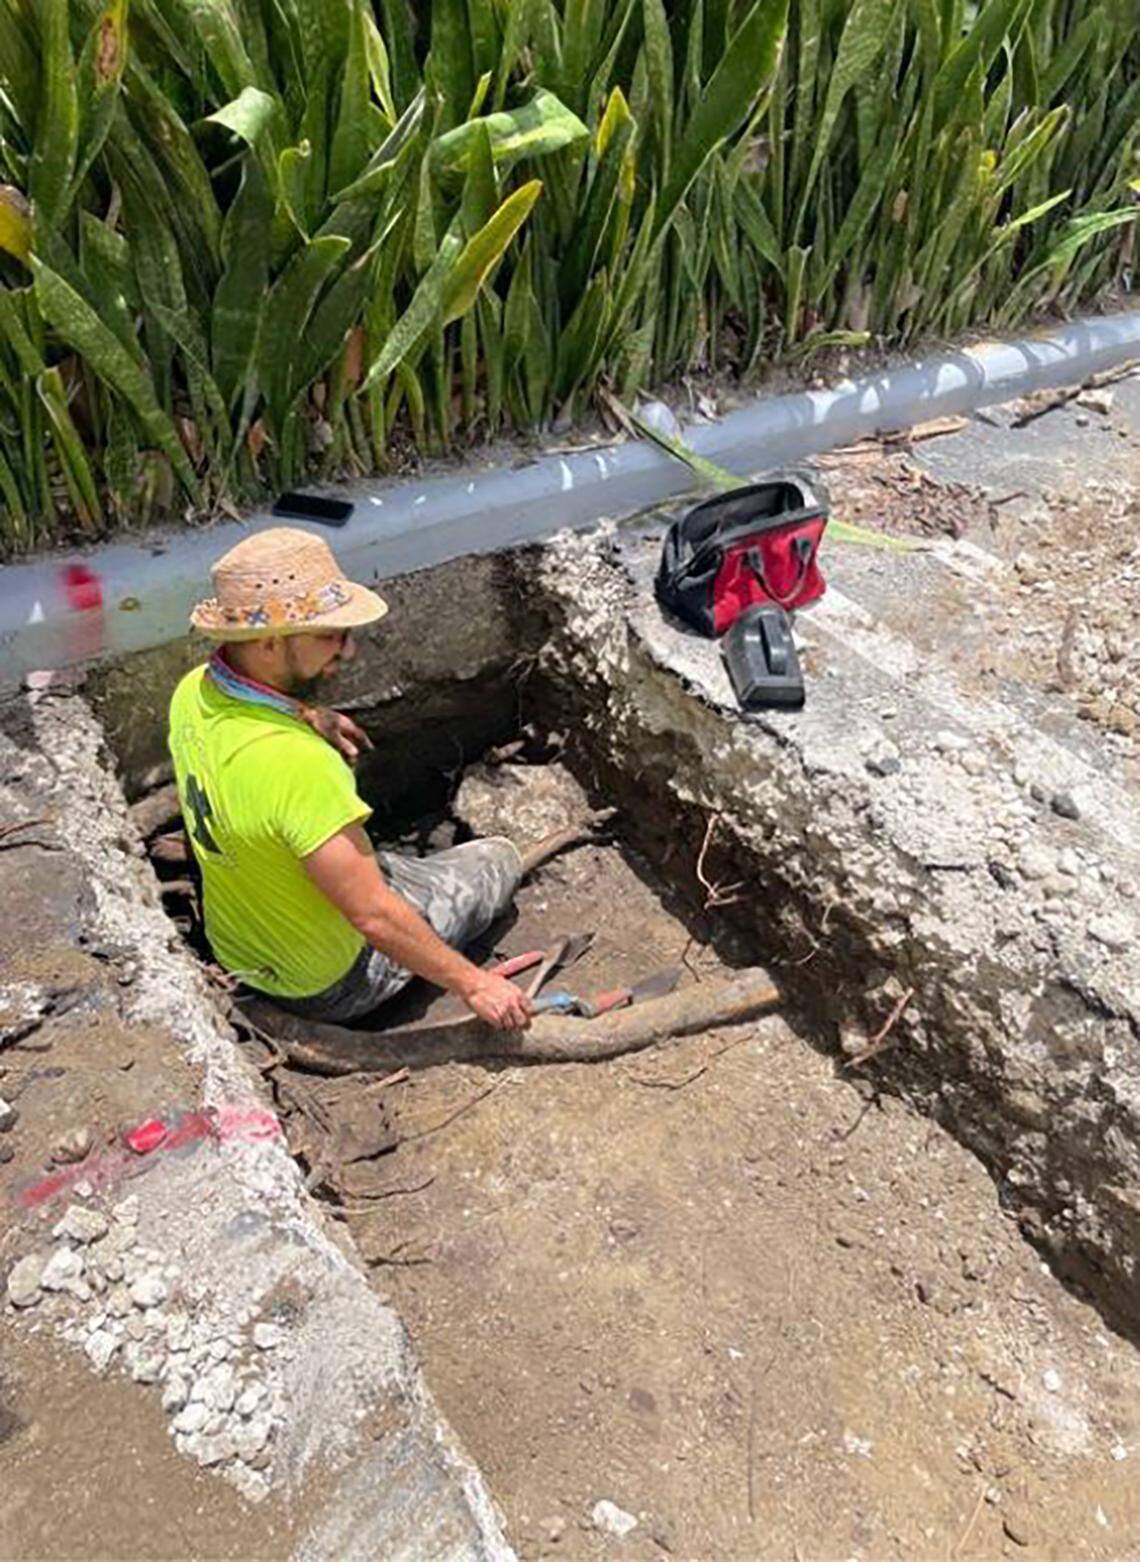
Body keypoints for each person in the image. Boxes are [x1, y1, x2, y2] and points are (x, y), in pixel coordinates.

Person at [167, 527, 532, 1030]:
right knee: (495, 860)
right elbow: (372, 916)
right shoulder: (297, 766)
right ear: (270, 644)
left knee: (369, 869)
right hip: (329, 982)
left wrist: (310, 714)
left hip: (241, 943)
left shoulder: (192, 694)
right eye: (331, 635)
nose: (350, 650)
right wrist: (477, 984)